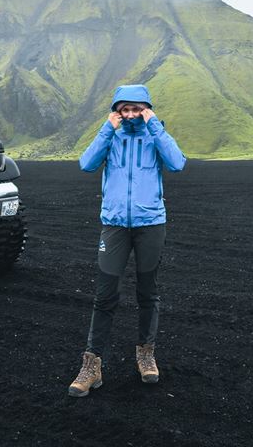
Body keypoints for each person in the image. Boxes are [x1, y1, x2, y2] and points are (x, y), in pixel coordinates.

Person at [68, 84, 186, 397]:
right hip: (115, 225)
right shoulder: (112, 136)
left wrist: (154, 124)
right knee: (105, 295)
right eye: (125, 109)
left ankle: (146, 353)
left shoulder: (154, 136)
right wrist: (108, 128)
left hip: (151, 224)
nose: (131, 114)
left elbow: (177, 162)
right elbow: (86, 163)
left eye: (137, 108)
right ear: (117, 110)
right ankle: (92, 365)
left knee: (148, 292)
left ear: (147, 109)